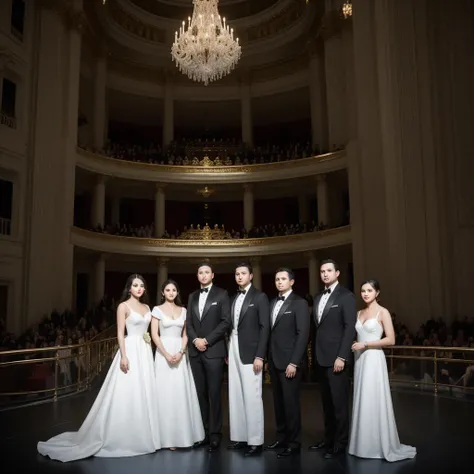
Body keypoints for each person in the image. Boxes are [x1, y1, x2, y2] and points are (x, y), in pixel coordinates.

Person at [37, 274, 160, 462]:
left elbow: (149, 331)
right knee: (128, 391)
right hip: (131, 350)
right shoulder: (123, 306)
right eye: (135, 285)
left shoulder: (147, 307)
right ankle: (123, 433)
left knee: (144, 391)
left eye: (142, 285)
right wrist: (124, 356)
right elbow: (120, 333)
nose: (139, 288)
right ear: (129, 288)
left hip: (143, 351)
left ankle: (144, 432)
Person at [348, 279, 416, 462]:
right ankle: (361, 444)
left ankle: (377, 445)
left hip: (374, 358)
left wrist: (366, 343)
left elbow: (391, 339)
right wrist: (357, 344)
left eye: (369, 290)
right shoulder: (359, 312)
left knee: (374, 398)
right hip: (360, 359)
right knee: (362, 398)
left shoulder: (382, 312)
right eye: (363, 290)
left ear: (377, 292)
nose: (365, 293)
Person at [310, 259, 356, 459]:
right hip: (321, 358)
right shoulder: (318, 297)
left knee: (339, 404)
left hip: (337, 358)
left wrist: (342, 356)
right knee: (326, 404)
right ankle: (328, 439)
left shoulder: (346, 296)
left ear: (337, 273)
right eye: (322, 271)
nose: (325, 274)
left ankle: (341, 442)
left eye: (329, 270)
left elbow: (349, 328)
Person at [151, 279, 204, 450]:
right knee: (164, 394)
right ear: (162, 292)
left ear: (177, 292)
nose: (171, 293)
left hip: (180, 353)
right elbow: (154, 334)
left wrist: (181, 352)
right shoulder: (156, 310)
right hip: (163, 353)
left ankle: (181, 435)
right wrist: (166, 353)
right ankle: (164, 438)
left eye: (174, 290)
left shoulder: (183, 310)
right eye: (168, 290)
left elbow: (186, 334)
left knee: (179, 392)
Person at [265, 267, 310, 458]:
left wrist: (294, 362)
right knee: (278, 403)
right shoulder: (272, 302)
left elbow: (303, 335)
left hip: (290, 362)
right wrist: (267, 358)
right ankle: (282, 437)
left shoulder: (299, 303)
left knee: (291, 403)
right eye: (277, 279)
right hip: (274, 360)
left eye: (283, 279)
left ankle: (294, 442)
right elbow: (270, 333)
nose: (279, 282)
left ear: (291, 282)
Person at [186, 263, 231, 452]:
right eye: (200, 273)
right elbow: (188, 322)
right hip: (195, 352)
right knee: (200, 395)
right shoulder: (192, 296)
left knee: (214, 394)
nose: (203, 276)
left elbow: (225, 322)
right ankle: (202, 433)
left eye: (206, 272)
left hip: (213, 352)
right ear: (197, 276)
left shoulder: (222, 294)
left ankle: (215, 434)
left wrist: (207, 340)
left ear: (212, 275)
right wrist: (196, 339)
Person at [227, 262, 270, 457]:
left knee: (252, 396)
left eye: (243, 273)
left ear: (251, 276)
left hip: (251, 351)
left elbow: (264, 328)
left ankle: (255, 441)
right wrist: (229, 351)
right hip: (233, 346)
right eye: (237, 274)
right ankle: (240, 437)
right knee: (235, 393)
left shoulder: (259, 297)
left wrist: (260, 355)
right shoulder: (234, 297)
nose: (239, 277)